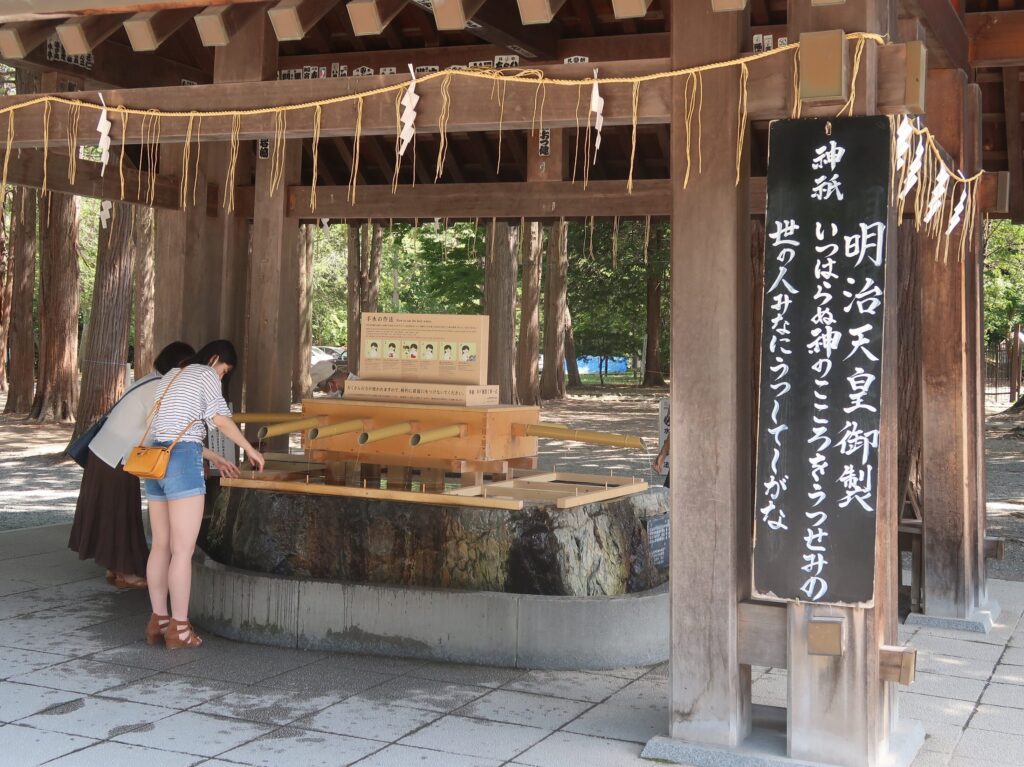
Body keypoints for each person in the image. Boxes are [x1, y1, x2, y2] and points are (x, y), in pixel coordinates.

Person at [68, 343, 239, 589]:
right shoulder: (164, 387)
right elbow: (173, 436)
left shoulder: (150, 380)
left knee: (111, 515)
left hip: (105, 453)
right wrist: (214, 456)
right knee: (122, 517)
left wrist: (212, 457)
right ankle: (127, 574)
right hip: (117, 458)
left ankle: (114, 569)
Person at [143, 340, 265, 649]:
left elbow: (164, 430)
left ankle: (159, 619)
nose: (222, 376)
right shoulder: (206, 374)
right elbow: (220, 419)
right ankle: (180, 629)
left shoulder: (171, 375)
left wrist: (213, 457)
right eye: (224, 370)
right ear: (215, 359)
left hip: (154, 461)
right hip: (182, 461)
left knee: (161, 545)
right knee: (182, 551)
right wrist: (249, 448)